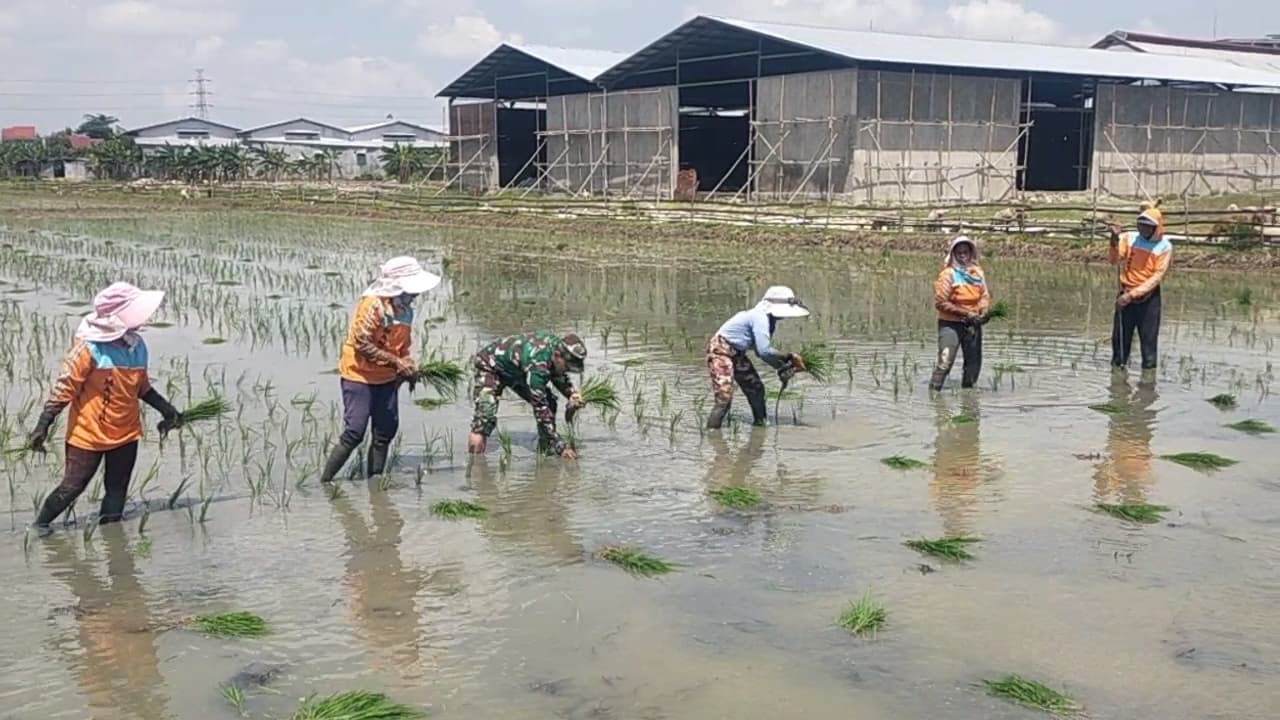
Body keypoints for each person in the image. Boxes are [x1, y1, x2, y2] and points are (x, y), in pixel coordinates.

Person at [26, 281, 183, 529]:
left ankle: (112, 542)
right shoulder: (89, 348)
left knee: (117, 490)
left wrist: (167, 410)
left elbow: (141, 387)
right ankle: (38, 529)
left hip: (126, 433)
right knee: (72, 488)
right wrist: (42, 426)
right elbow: (64, 389)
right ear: (118, 316)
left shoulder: (136, 346)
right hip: (88, 435)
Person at [320, 256, 441, 483]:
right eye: (411, 290)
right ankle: (325, 483)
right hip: (359, 376)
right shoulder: (372, 305)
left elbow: (403, 347)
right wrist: (396, 363)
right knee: (355, 432)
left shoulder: (405, 312)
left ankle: (375, 484)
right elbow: (362, 344)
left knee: (385, 432)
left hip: (386, 379)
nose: (414, 296)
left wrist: (408, 364)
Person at [466, 331, 587, 460]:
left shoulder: (556, 349)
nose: (567, 371)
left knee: (550, 403)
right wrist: (560, 446)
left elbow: (557, 373)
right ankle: (475, 466)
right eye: (567, 367)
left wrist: (571, 394)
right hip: (490, 365)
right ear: (557, 356)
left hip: (516, 371)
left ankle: (545, 451)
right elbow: (540, 408)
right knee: (484, 418)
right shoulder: (538, 365)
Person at [705, 286, 809, 430]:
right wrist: (789, 358)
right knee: (725, 396)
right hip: (720, 350)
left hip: (737, 353)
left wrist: (783, 366)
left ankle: (760, 426)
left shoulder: (769, 321)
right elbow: (765, 351)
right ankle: (712, 435)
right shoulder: (759, 317)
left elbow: (761, 352)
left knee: (756, 388)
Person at [1108, 206, 1171, 370]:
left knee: (1148, 344)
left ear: (1156, 227)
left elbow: (1156, 277)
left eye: (1147, 226)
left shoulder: (1164, 246)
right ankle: (1118, 386)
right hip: (1125, 293)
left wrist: (1131, 296)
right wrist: (1114, 240)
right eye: (1140, 224)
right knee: (1119, 343)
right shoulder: (1129, 238)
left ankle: (1148, 384)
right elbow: (1114, 260)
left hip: (1148, 299)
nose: (1143, 228)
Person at [930, 236, 991, 392]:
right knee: (945, 361)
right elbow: (941, 302)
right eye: (959, 252)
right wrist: (965, 313)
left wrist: (983, 311)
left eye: (966, 252)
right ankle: (934, 397)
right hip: (951, 323)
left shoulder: (977, 273)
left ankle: (969, 402)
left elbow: (984, 295)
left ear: (971, 253)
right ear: (953, 254)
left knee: (973, 365)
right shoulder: (947, 275)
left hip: (973, 323)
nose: (963, 255)